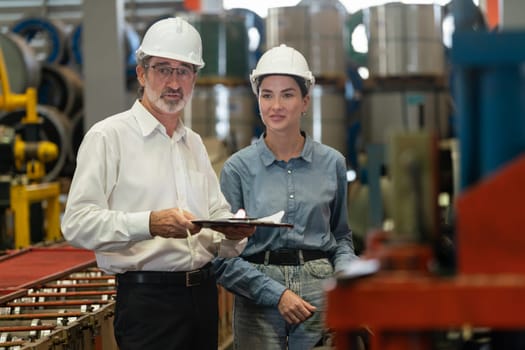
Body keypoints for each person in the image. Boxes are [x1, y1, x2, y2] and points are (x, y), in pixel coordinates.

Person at [61, 17, 254, 350]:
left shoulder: (194, 144)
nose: (174, 82)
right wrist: (148, 223)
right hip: (148, 303)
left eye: (184, 71)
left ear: (194, 78)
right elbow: (77, 224)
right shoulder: (108, 138)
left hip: (203, 296)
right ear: (141, 73)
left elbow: (216, 218)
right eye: (163, 69)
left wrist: (233, 235)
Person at [212, 44, 358, 349]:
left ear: (305, 102)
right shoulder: (237, 169)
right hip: (258, 302)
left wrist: (343, 279)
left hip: (320, 300)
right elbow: (223, 258)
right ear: (258, 100)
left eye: (287, 94)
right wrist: (275, 293)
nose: (276, 105)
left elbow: (342, 238)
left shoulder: (332, 163)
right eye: (267, 95)